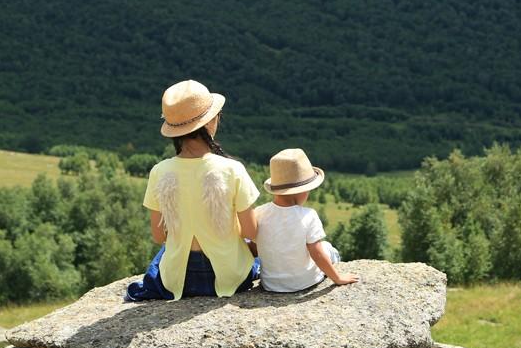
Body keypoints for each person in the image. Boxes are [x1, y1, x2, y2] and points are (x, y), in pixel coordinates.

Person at [125, 80, 260, 300]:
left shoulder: (160, 171)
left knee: (162, 256)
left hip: (178, 280)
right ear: (210, 122)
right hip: (230, 277)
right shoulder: (233, 169)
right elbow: (251, 232)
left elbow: (159, 235)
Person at [254, 148, 359, 292]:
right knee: (328, 249)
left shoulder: (259, 212)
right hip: (304, 282)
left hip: (271, 284)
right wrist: (338, 278)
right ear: (302, 191)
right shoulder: (309, 215)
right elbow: (317, 254)